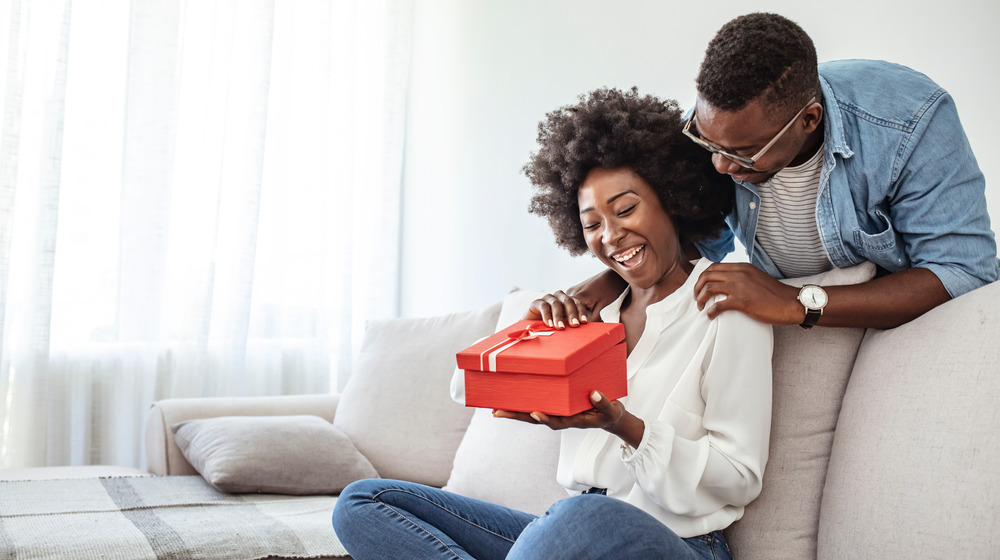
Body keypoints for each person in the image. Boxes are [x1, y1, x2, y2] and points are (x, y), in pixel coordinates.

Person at [331, 88, 773, 560]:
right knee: (363, 501)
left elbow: (738, 476)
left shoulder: (726, 307)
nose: (610, 235)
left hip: (674, 541)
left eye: (625, 210)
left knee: (580, 515)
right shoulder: (586, 314)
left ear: (673, 199)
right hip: (564, 540)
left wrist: (623, 425)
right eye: (591, 224)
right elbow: (467, 388)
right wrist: (525, 329)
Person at [564, 12, 998, 331]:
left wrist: (797, 303)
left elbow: (964, 270)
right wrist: (612, 279)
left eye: (743, 154)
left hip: (900, 325)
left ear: (808, 120)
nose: (719, 165)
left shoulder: (909, 121)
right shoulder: (713, 131)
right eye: (709, 143)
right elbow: (696, 240)